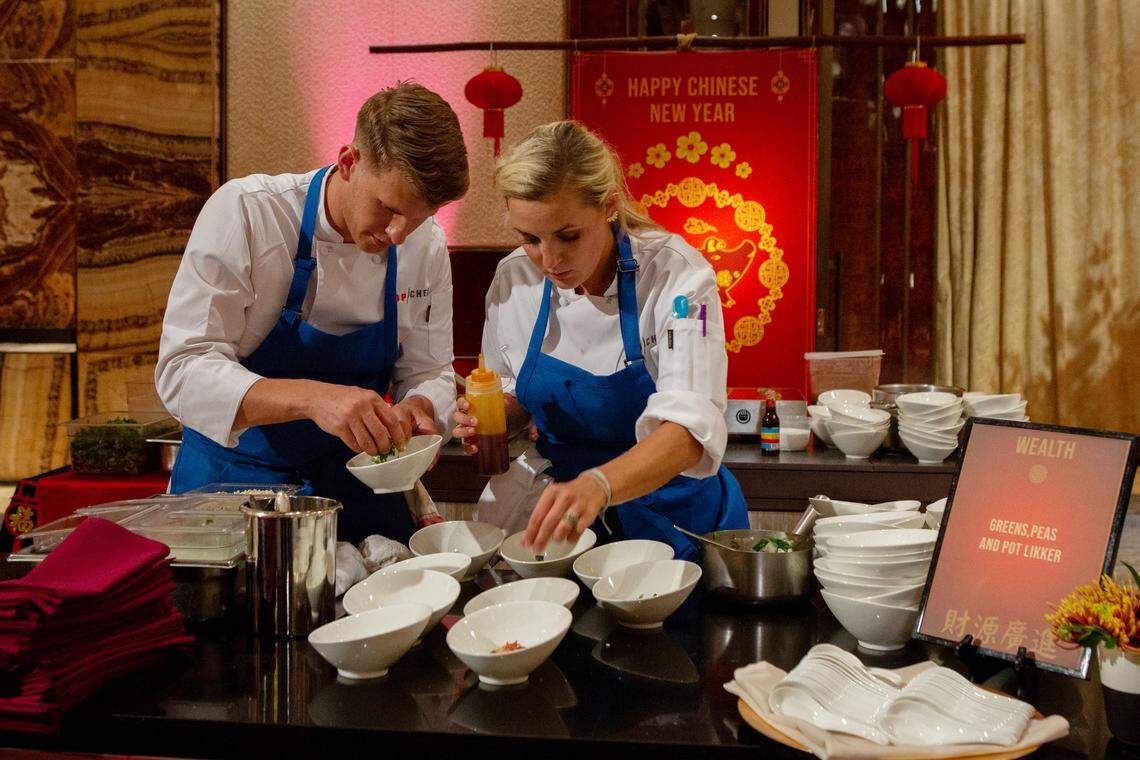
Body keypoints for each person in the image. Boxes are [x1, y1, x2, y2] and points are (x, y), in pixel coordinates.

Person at [157, 83, 468, 543]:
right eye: (388, 208)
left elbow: (429, 368)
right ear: (348, 162)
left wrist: (422, 407)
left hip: (357, 483)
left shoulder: (424, 243)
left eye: (419, 218)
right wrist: (314, 398)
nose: (399, 233)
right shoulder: (249, 213)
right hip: (236, 480)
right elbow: (182, 371)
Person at [452, 120, 748, 561]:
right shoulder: (514, 279)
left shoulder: (677, 278)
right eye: (530, 238)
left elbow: (689, 431)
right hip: (564, 516)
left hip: (671, 520)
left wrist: (601, 484)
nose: (549, 259)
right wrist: (494, 418)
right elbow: (514, 393)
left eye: (568, 236)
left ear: (608, 206)